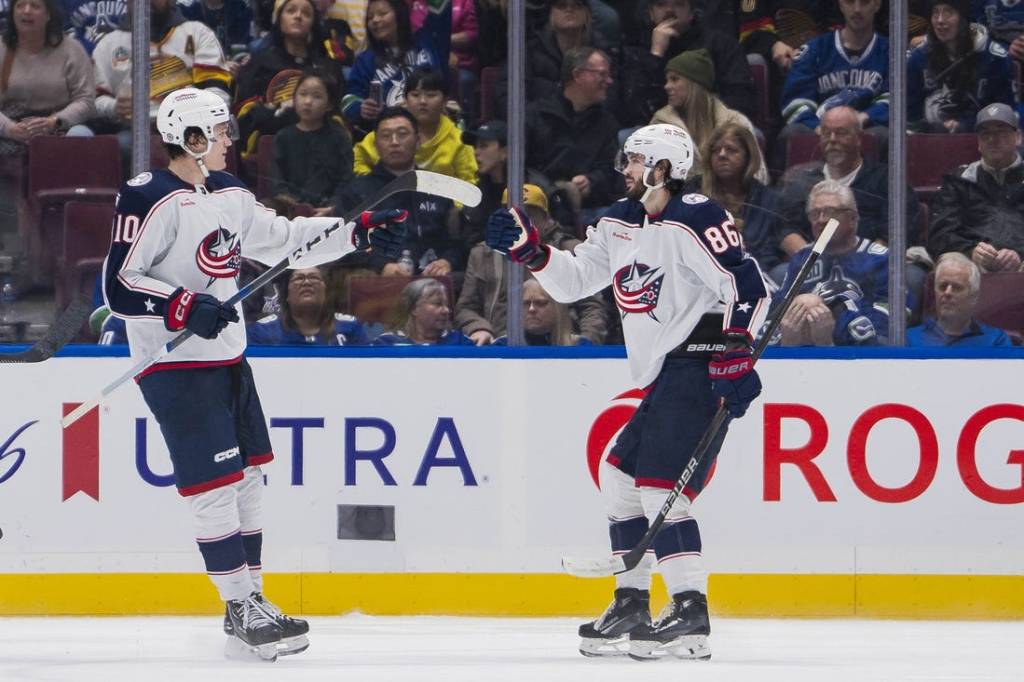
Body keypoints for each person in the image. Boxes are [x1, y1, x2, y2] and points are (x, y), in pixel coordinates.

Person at [101, 86, 407, 659]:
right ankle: (240, 604)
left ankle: (251, 599)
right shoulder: (149, 197)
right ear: (190, 139)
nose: (227, 142)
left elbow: (288, 242)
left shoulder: (231, 193)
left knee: (246, 481)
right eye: (218, 133)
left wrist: (355, 230)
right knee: (213, 488)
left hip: (229, 361)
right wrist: (184, 305)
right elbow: (119, 284)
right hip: (174, 365)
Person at [486, 123, 768, 660]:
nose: (625, 170)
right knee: (620, 477)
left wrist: (736, 351)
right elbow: (572, 283)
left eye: (635, 161)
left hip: (701, 362)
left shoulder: (698, 216)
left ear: (662, 168)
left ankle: (690, 611)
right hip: (664, 371)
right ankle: (634, 601)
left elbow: (747, 285)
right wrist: (531, 251)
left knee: (661, 486)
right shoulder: (617, 221)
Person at [455, 183, 607, 345]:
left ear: (546, 219)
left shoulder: (571, 249)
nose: (520, 222)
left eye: (529, 216)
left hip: (561, 348)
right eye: (514, 215)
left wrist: (585, 342)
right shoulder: (482, 255)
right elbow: (466, 307)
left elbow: (593, 307)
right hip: (499, 347)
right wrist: (478, 328)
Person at [333, 107, 462, 276]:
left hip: (433, 280)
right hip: (379, 282)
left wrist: (447, 261)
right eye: (386, 136)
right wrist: (381, 265)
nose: (394, 142)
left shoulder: (437, 189)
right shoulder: (356, 192)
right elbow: (345, 242)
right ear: (376, 144)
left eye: (402, 134)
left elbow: (458, 241)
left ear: (418, 141)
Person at [778, 106, 920, 247]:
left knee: (912, 271)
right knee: (780, 271)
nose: (832, 139)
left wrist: (864, 264)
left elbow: (897, 231)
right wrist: (812, 262)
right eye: (826, 133)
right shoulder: (800, 179)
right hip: (813, 264)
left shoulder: (889, 180)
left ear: (859, 138)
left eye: (841, 133)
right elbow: (785, 229)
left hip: (873, 264)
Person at [777, 180, 890, 347]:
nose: (821, 220)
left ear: (852, 218)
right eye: (815, 213)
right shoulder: (802, 259)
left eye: (830, 212)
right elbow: (777, 311)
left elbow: (887, 322)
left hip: (861, 356)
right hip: (802, 351)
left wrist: (834, 321)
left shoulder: (880, 259)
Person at [234, 0, 346, 159]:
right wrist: (277, 109)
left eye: (306, 13)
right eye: (291, 11)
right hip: (271, 144)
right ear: (279, 19)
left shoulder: (327, 67)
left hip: (320, 147)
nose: (298, 16)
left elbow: (337, 116)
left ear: (313, 24)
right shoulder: (260, 63)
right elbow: (244, 116)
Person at [617, 0, 757, 127]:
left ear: (691, 12)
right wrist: (656, 55)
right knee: (627, 137)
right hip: (657, 129)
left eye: (678, 4)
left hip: (711, 125)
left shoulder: (720, 44)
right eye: (661, 4)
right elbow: (632, 108)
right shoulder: (636, 49)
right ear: (651, 13)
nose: (669, 11)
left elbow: (741, 98)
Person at [779, 0, 889, 159]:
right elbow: (795, 102)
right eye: (850, 2)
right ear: (840, 4)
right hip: (819, 128)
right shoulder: (815, 49)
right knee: (792, 133)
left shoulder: (890, 51)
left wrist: (865, 117)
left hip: (866, 128)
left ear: (877, 4)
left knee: (884, 136)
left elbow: (896, 99)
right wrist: (818, 126)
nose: (857, 9)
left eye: (864, 2)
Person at [690, 122, 794, 285]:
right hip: (700, 274)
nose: (722, 155)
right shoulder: (691, 194)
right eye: (716, 151)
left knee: (784, 272)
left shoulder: (768, 200)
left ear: (748, 156)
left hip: (756, 275)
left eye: (731, 150)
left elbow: (785, 245)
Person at [928, 103, 1024, 271]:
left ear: (1018, 137)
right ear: (978, 143)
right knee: (952, 264)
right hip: (970, 263)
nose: (993, 139)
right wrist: (970, 251)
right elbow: (940, 235)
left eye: (1001, 131)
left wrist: (1020, 254)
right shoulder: (958, 180)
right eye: (985, 133)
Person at [526, 46, 621, 215]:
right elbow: (523, 168)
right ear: (577, 75)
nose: (609, 81)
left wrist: (591, 181)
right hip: (541, 208)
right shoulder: (536, 116)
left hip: (591, 211)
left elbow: (613, 169)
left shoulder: (607, 122)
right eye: (601, 74)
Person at [651, 49, 768, 185]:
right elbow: (654, 182)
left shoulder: (736, 122)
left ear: (695, 84)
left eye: (674, 79)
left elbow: (758, 176)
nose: (666, 86)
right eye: (667, 80)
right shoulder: (659, 126)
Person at [0, 0, 96, 153]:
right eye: (20, 5)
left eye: (35, 6)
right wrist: (9, 128)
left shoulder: (72, 49)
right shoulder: (2, 48)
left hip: (60, 126)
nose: (26, 11)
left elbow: (86, 101)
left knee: (80, 134)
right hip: (11, 127)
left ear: (48, 15)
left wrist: (54, 121)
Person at [353, 67, 477, 184]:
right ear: (405, 99)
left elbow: (470, 181)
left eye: (431, 95)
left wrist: (452, 205)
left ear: (445, 101)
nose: (422, 101)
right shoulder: (389, 130)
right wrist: (372, 186)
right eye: (415, 95)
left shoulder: (457, 140)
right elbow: (358, 158)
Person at [907, 0, 1015, 134]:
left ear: (963, 18)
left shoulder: (995, 59)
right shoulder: (918, 58)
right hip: (929, 139)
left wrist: (966, 125)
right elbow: (909, 112)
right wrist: (926, 128)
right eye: (936, 13)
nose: (940, 20)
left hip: (983, 139)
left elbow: (1007, 112)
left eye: (948, 12)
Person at [341, 0, 444, 135]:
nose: (375, 20)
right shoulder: (365, 60)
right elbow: (347, 100)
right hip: (387, 133)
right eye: (370, 17)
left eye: (382, 14)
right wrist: (360, 108)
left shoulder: (424, 43)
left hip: (429, 127)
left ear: (400, 15)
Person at [268, 69, 354, 213]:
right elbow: (277, 182)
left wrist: (333, 206)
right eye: (303, 94)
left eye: (317, 96)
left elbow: (346, 179)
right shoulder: (283, 137)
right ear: (294, 98)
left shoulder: (339, 136)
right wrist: (296, 207)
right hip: (289, 210)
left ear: (330, 104)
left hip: (328, 210)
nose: (308, 101)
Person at [247, 266, 377, 344]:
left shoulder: (351, 327)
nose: (306, 282)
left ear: (326, 292)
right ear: (287, 295)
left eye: (314, 277)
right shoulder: (262, 331)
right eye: (298, 278)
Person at [907, 252, 1013, 346]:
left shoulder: (996, 341)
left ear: (974, 296)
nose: (947, 293)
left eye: (957, 288)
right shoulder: (909, 340)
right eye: (942, 286)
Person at [373, 277, 474, 345]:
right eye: (437, 304)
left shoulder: (460, 341)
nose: (446, 310)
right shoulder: (386, 343)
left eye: (446, 305)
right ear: (414, 308)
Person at [492, 279, 594, 346]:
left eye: (540, 303)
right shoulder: (502, 346)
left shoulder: (579, 347)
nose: (531, 309)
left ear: (557, 308)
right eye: (525, 304)